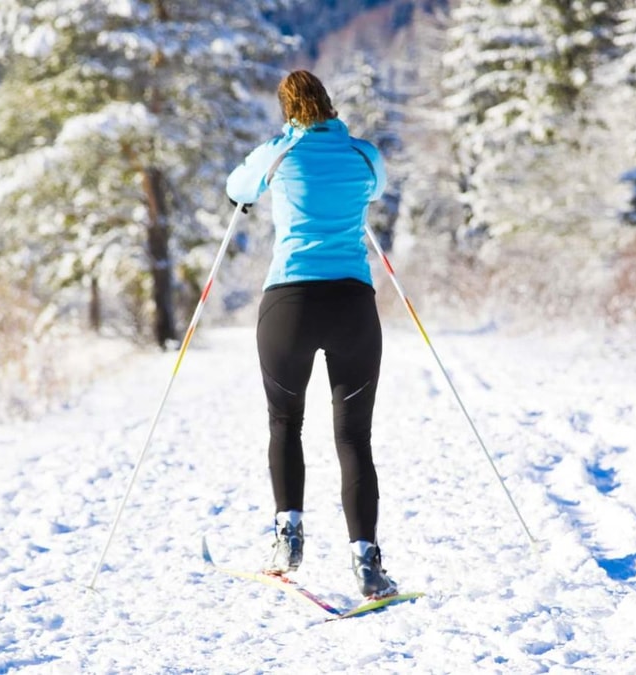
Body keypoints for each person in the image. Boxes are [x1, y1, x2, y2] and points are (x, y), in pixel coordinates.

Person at [225, 70, 396, 598]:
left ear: (288, 110)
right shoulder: (363, 154)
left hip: (289, 305)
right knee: (354, 438)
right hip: (352, 305)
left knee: (285, 423)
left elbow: (237, 188)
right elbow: (378, 188)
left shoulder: (278, 153)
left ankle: (287, 542)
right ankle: (366, 562)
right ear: (328, 103)